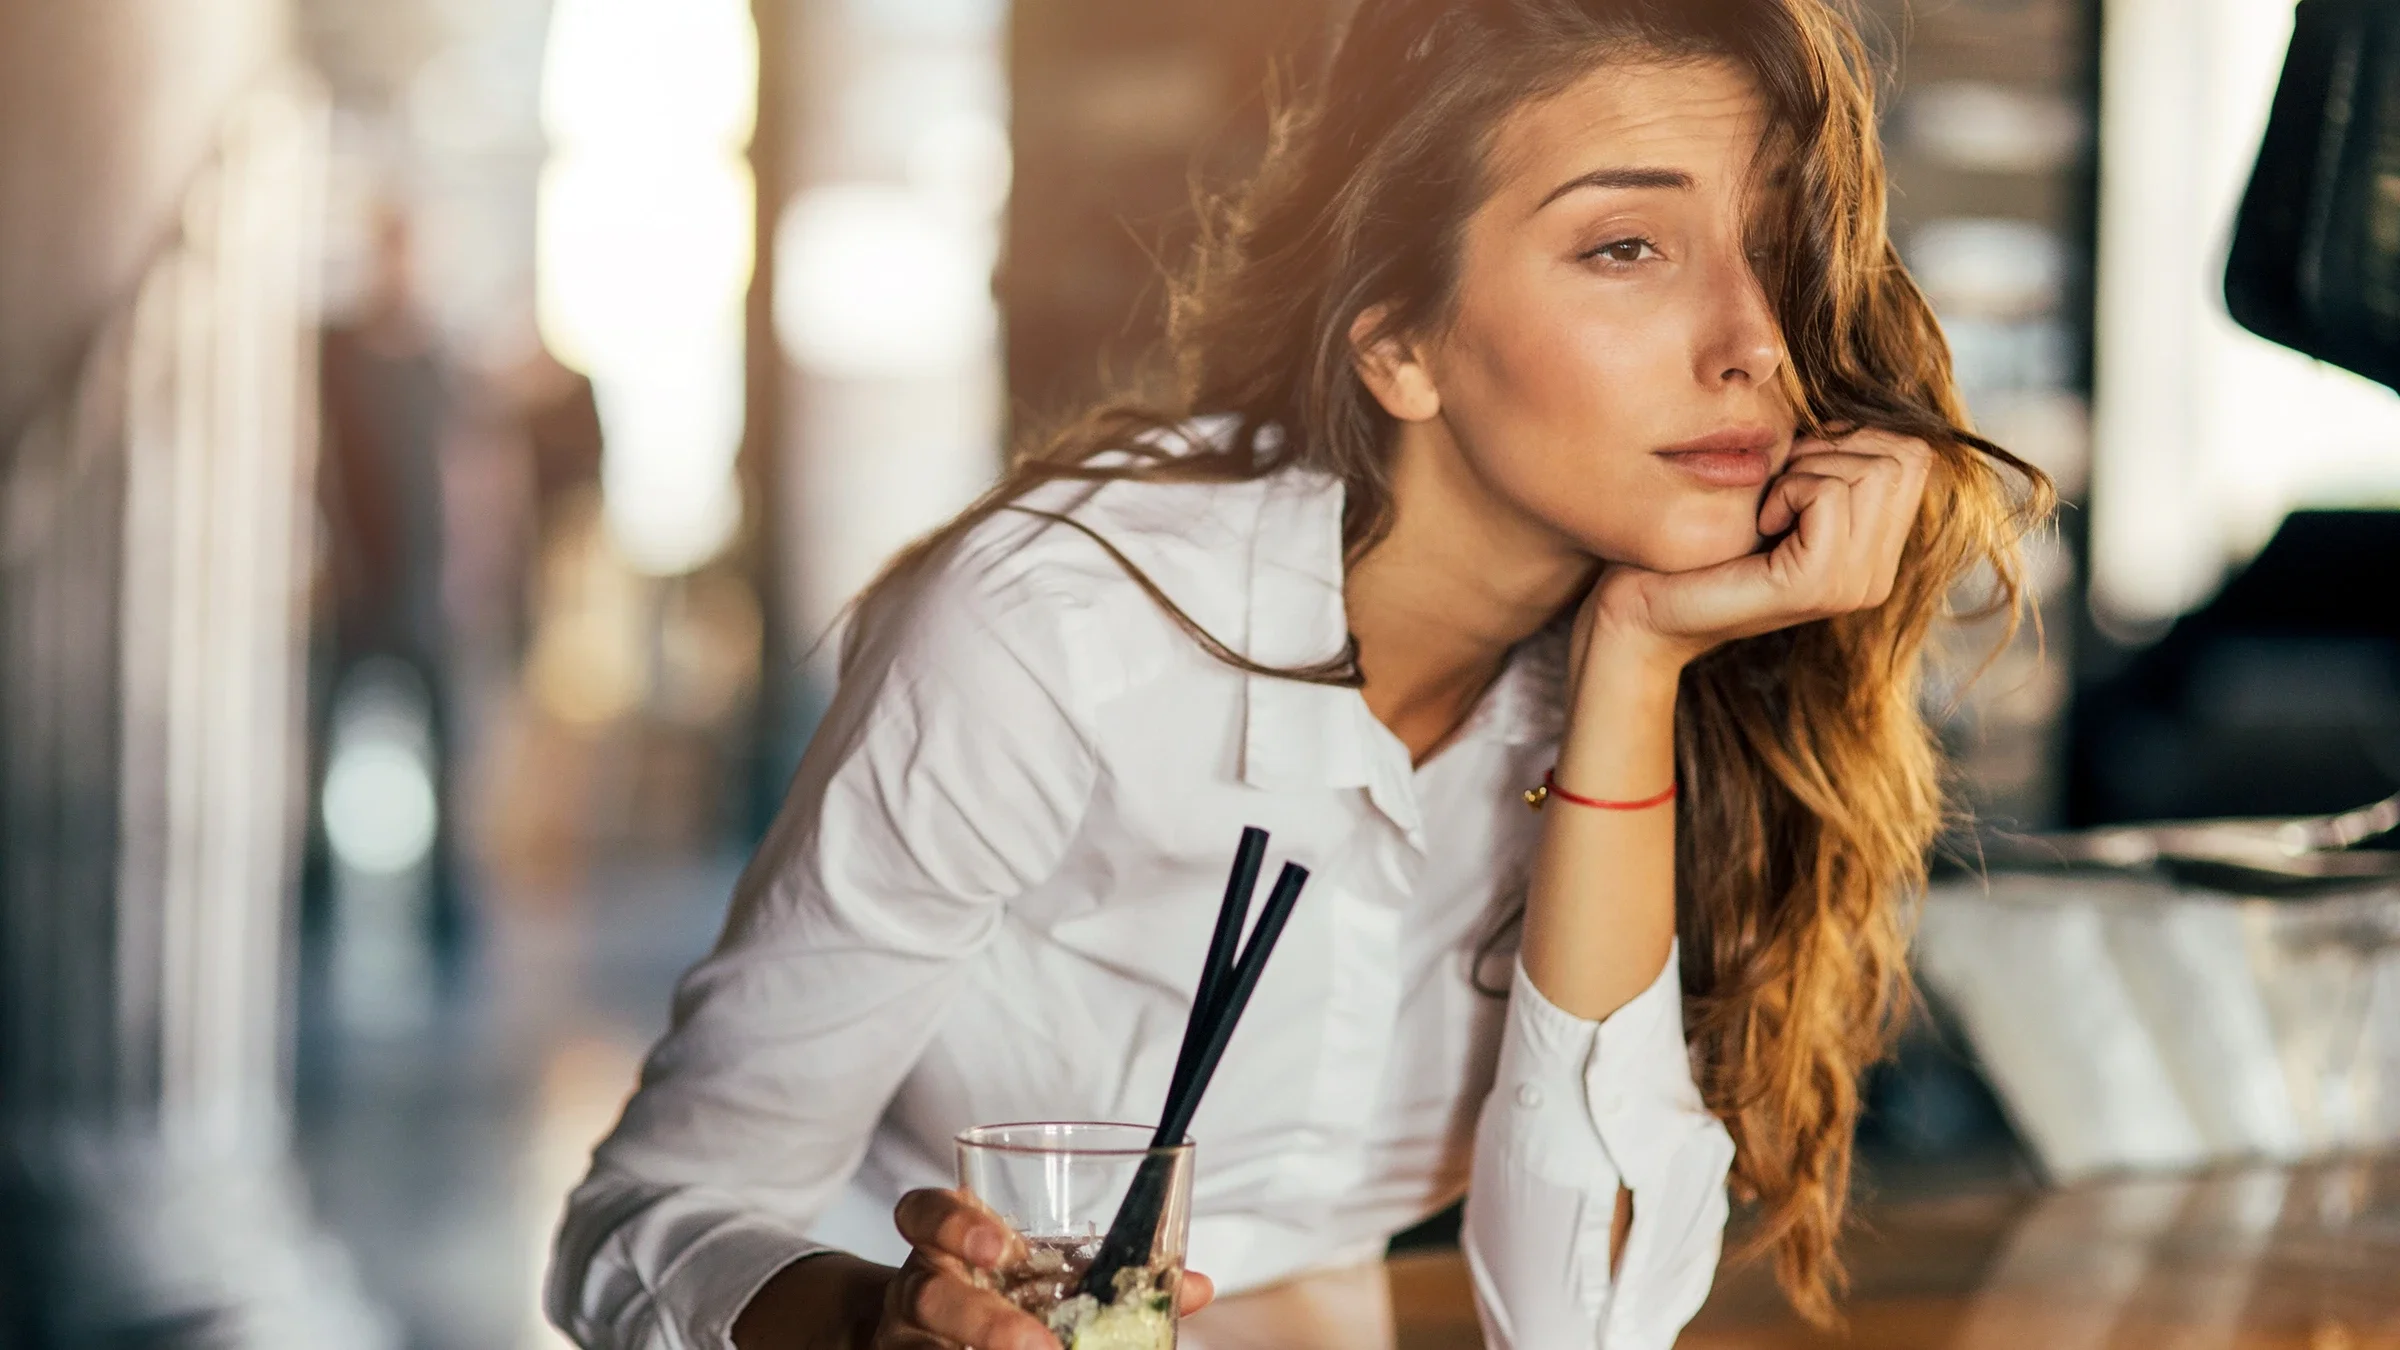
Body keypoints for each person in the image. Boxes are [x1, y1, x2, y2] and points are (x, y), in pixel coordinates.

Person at [545, 0, 2050, 1346]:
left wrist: (1636, 661)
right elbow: (645, 1221)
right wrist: (883, 1321)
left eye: (1779, 244)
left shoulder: (1681, 670)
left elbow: (1583, 1319)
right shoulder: (1061, 632)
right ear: (1401, 347)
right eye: (1626, 248)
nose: (1757, 345)